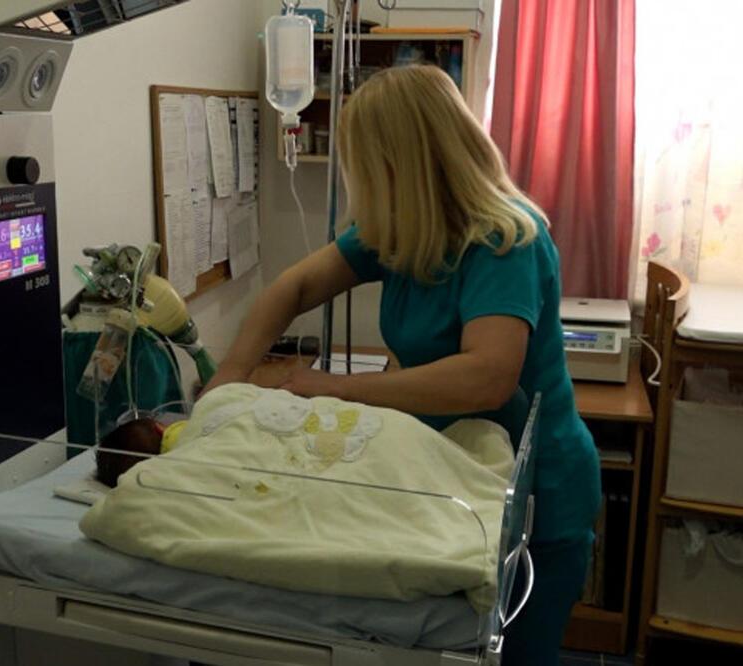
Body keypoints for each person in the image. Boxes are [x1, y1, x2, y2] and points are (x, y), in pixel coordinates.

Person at [204, 65, 600, 665]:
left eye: (364, 166)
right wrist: (230, 375)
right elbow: (295, 286)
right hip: (447, 475)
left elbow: (486, 376)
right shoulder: (404, 228)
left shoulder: (504, 241)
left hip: (531, 493)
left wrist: (334, 389)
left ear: (399, 165)